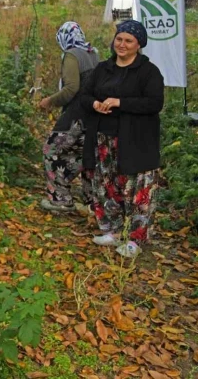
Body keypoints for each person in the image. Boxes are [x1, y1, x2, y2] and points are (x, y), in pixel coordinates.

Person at [79, 20, 164, 258]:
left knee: (138, 188)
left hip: (136, 140)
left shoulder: (148, 72)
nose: (122, 44)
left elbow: (154, 103)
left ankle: (136, 239)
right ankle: (114, 230)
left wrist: (120, 102)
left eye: (129, 40)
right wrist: (95, 104)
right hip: (104, 139)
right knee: (107, 185)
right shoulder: (103, 69)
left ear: (139, 44)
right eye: (119, 39)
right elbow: (84, 95)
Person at [39, 22, 99, 213]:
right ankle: (93, 202)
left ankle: (61, 198)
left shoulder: (72, 54)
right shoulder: (93, 53)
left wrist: (50, 101)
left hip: (76, 114)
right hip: (94, 114)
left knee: (51, 149)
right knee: (86, 153)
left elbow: (71, 88)